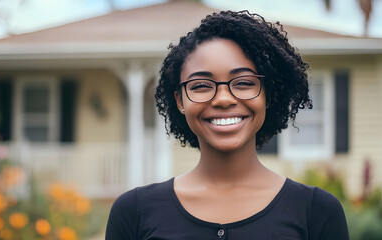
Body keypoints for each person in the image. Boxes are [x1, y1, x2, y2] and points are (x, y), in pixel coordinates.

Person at [105, 10, 349, 240]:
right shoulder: (133, 213)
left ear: (268, 95)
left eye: (243, 82)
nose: (223, 99)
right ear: (180, 101)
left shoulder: (317, 213)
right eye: (201, 85)